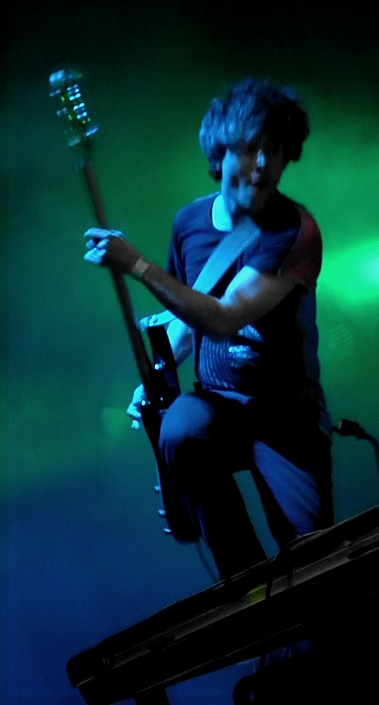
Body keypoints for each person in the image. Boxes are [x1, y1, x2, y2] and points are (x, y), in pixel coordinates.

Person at [84, 77, 333, 580]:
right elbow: (187, 324)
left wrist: (137, 266)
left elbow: (221, 319)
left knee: (315, 564)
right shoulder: (189, 223)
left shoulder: (295, 230)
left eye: (274, 151)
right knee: (180, 425)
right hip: (221, 405)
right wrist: (154, 377)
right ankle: (247, 584)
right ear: (220, 153)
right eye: (250, 148)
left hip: (287, 413)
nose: (262, 165)